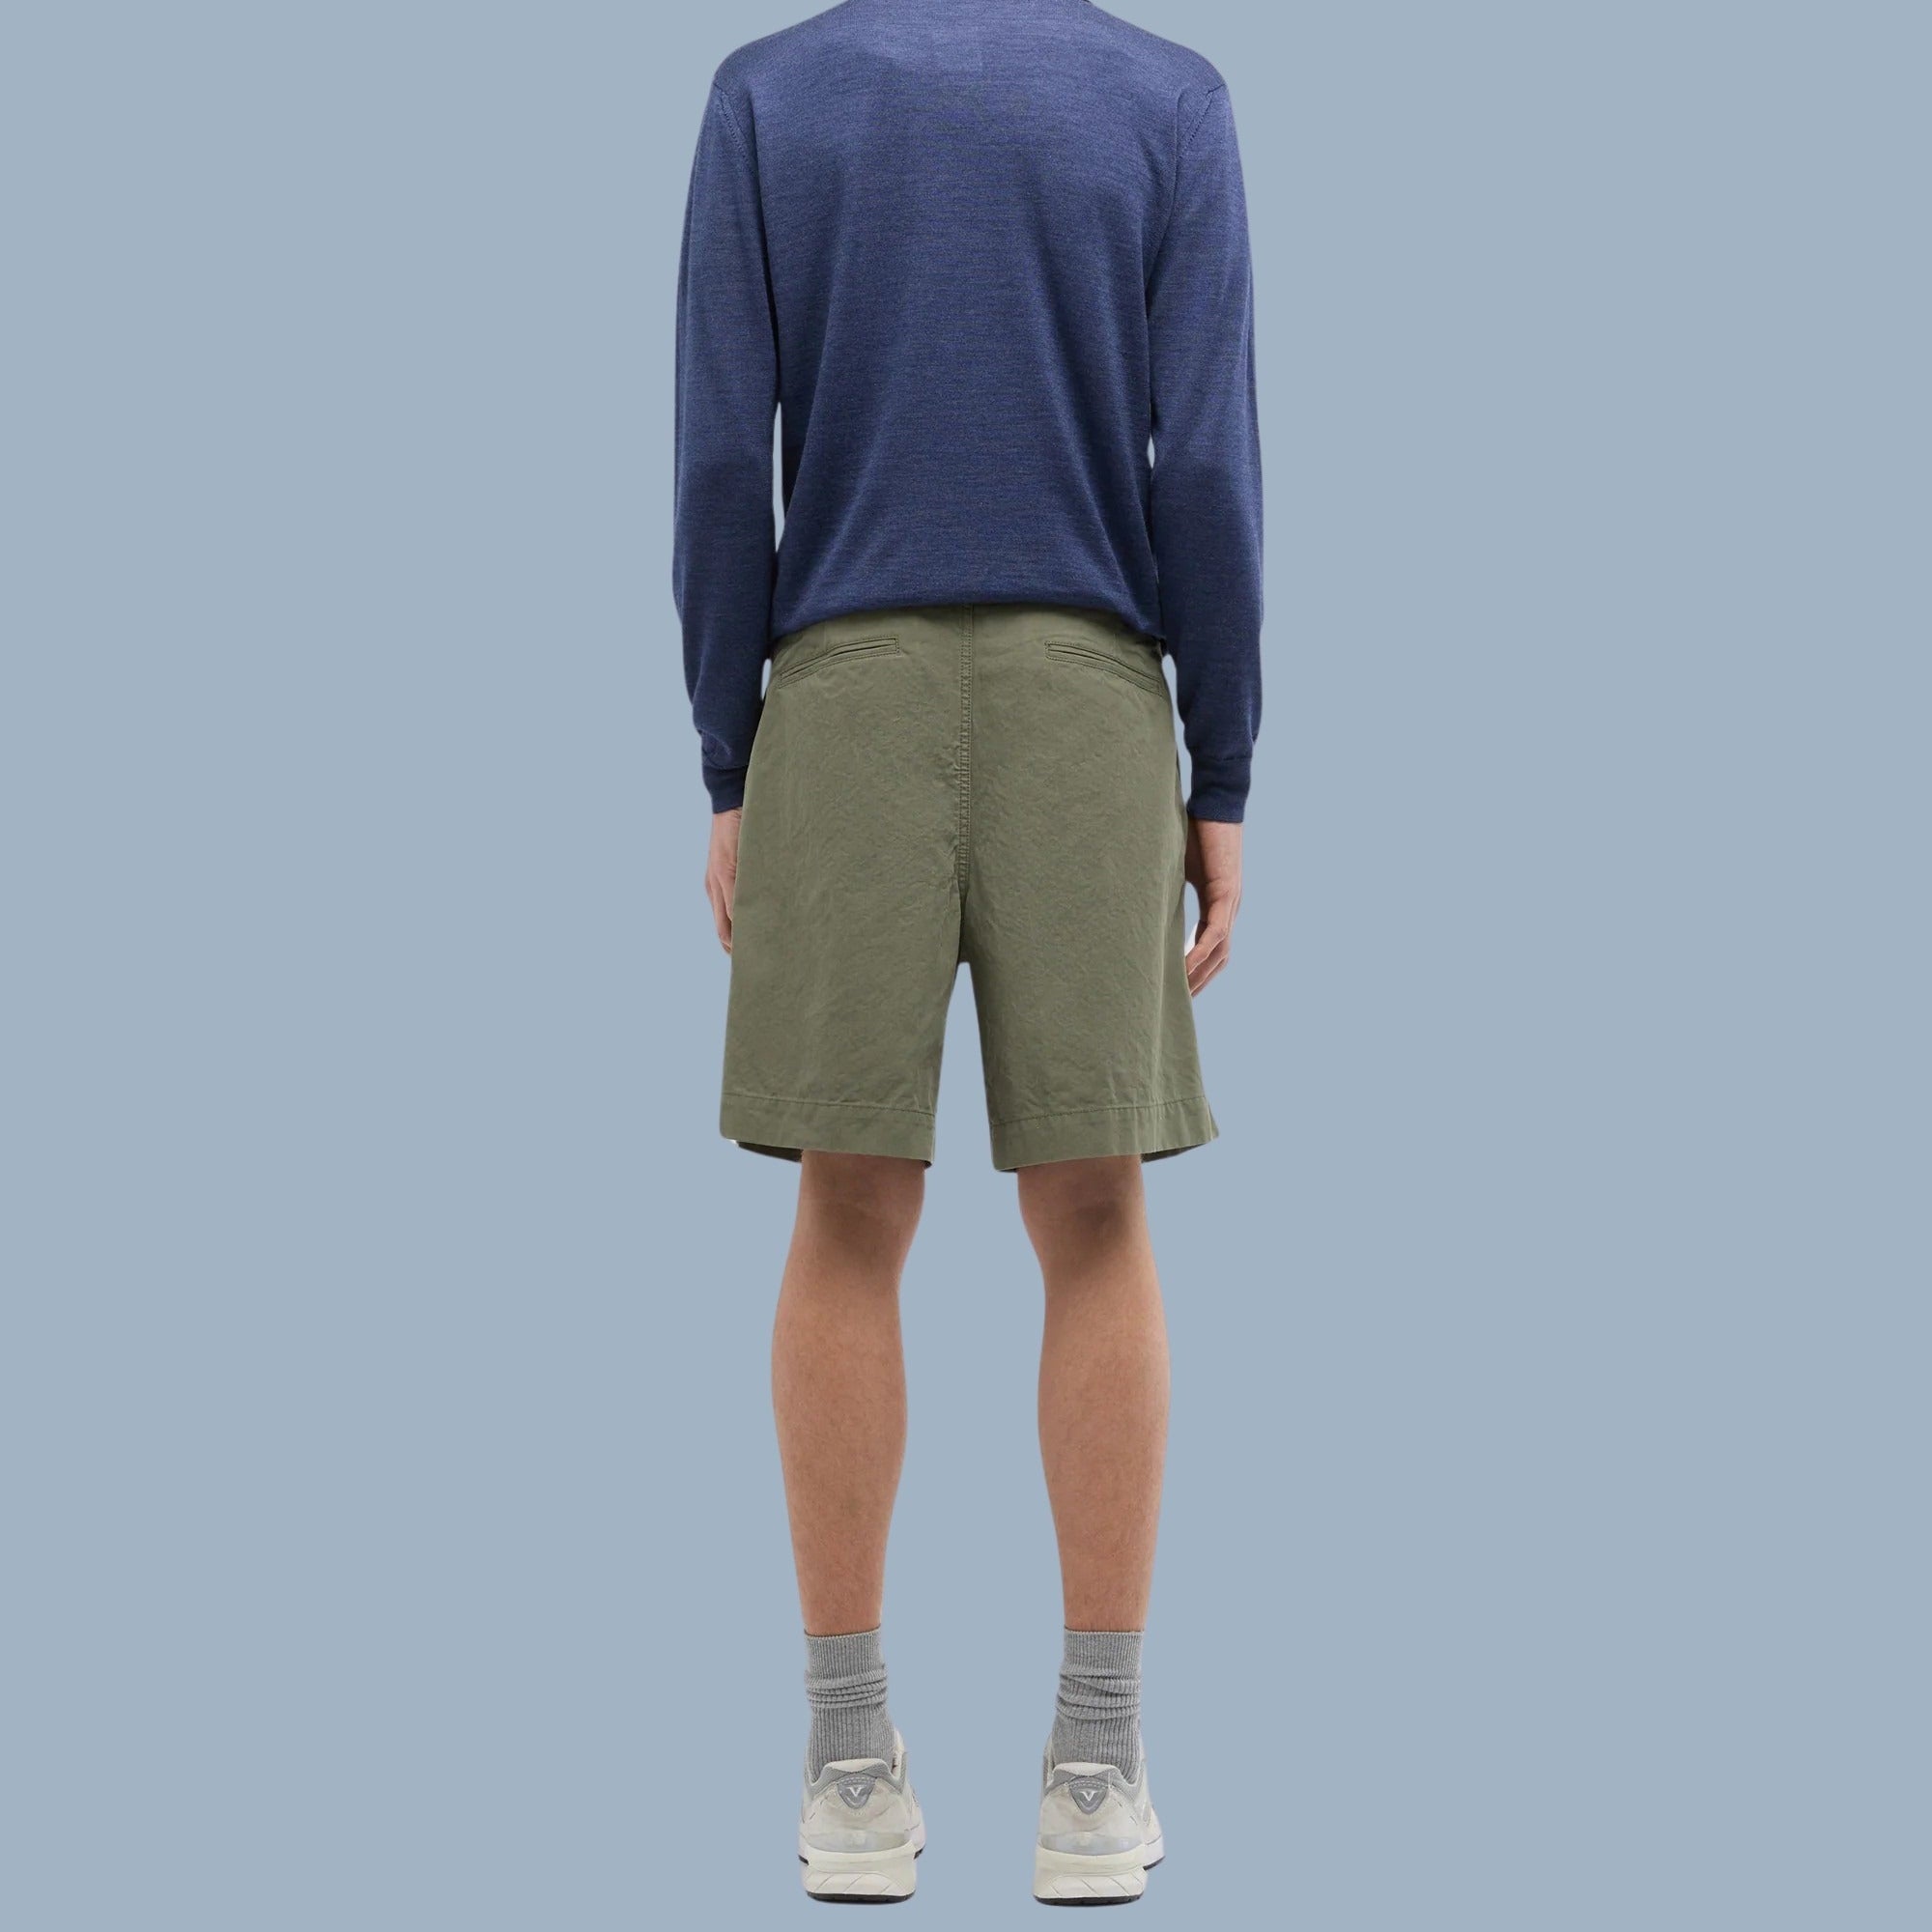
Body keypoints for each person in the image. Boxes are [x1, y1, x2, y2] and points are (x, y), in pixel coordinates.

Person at [673, 0, 1261, 1904]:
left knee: (848, 1207)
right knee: (1093, 1209)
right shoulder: (1167, 102)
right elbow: (1204, 473)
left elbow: (719, 467)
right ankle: (1095, 1769)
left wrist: (731, 753)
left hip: (839, 691)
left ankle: (849, 1765)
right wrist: (1224, 765)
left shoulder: (768, 98)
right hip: (1089, 693)